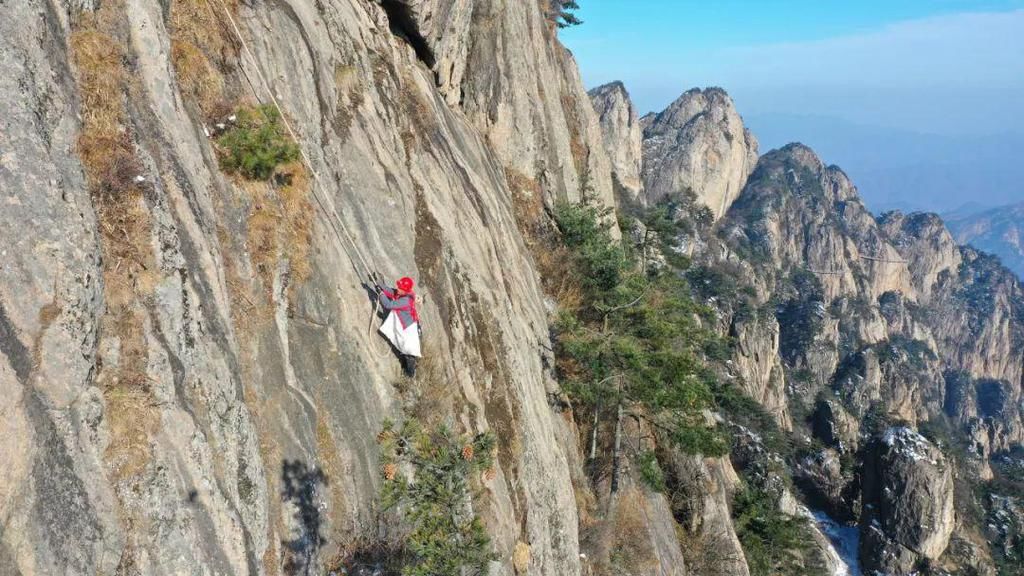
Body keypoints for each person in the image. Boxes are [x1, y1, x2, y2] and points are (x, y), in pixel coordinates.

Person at [375, 276, 421, 377]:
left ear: (405, 290)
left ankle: (410, 374)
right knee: (405, 350)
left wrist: (381, 294)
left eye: (400, 287)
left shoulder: (405, 301)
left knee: (409, 353)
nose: (398, 288)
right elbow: (391, 292)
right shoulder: (405, 293)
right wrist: (379, 283)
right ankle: (407, 366)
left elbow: (388, 304)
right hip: (409, 325)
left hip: (410, 330)